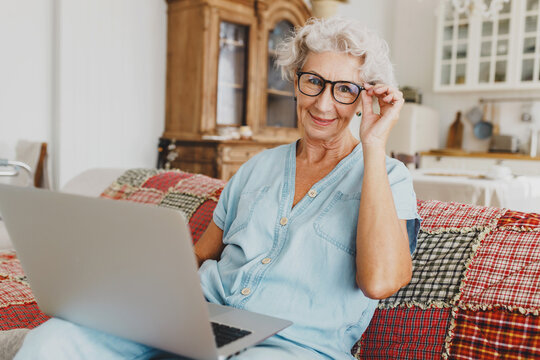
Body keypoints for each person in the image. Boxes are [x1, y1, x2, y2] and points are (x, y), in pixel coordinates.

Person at [15, 17, 420, 360]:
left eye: (344, 89)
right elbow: (199, 255)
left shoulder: (387, 176)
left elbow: (381, 282)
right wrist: (128, 287)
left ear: (366, 99)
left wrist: (373, 143)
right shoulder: (256, 168)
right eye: (313, 81)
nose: (323, 104)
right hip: (197, 319)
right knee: (51, 342)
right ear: (296, 82)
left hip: (293, 346)